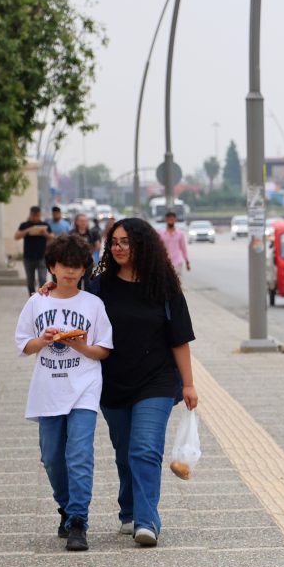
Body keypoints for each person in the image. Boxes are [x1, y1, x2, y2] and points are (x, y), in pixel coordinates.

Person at [96, 218, 198, 546]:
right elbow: (71, 300)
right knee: (125, 450)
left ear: (142, 244)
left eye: (126, 241)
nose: (118, 248)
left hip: (157, 378)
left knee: (145, 448)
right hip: (113, 380)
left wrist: (189, 384)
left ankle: (147, 520)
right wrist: (49, 290)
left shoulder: (164, 286)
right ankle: (128, 509)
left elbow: (179, 339)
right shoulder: (99, 284)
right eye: (114, 241)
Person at [15, 233, 113, 551]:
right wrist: (44, 340)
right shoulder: (37, 302)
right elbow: (24, 345)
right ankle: (67, 507)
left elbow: (103, 351)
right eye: (63, 265)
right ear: (52, 267)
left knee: (79, 455)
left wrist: (81, 345)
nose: (70, 272)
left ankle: (79, 521)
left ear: (84, 269)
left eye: (76, 266)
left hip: (84, 387)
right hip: (48, 389)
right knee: (52, 458)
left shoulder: (93, 304)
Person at [15, 206, 53, 295]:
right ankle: (32, 298)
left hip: (42, 257)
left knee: (43, 279)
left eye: (38, 216)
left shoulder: (45, 225)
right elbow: (16, 236)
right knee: (30, 281)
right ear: (30, 215)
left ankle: (42, 297)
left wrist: (45, 233)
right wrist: (28, 230)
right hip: (28, 258)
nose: (36, 218)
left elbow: (52, 237)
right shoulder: (24, 225)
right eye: (34, 216)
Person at [70, 213, 101, 289]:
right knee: (76, 283)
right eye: (81, 221)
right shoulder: (72, 233)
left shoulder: (92, 233)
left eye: (85, 221)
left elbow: (98, 245)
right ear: (76, 222)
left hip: (88, 263)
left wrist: (90, 251)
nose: (83, 222)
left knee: (88, 283)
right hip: (75, 263)